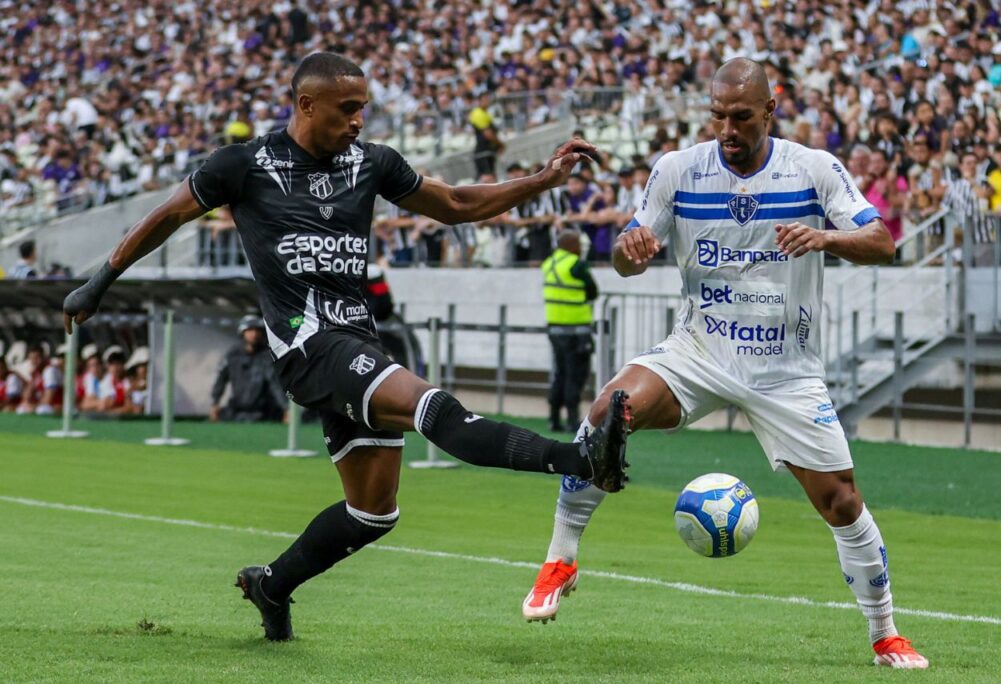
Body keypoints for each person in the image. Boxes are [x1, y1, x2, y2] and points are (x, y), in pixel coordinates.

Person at [61, 52, 630, 642]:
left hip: (357, 341)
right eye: (348, 108)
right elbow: (167, 215)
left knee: (373, 510)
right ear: (307, 104)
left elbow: (457, 204)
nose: (359, 120)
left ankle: (271, 585)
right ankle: (579, 461)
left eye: (364, 108)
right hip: (308, 347)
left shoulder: (372, 163)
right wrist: (98, 282)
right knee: (432, 407)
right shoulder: (243, 164)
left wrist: (542, 180)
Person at [520, 59, 929, 670]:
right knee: (608, 410)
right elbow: (629, 258)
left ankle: (885, 632)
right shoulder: (678, 170)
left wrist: (827, 239)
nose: (727, 127)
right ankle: (561, 557)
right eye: (717, 115)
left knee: (842, 502)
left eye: (741, 116)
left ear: (770, 110)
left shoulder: (813, 168)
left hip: (785, 367)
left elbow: (882, 243)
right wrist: (630, 251)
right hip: (700, 349)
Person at [541, 230, 598, 433]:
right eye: (577, 244)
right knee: (576, 376)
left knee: (560, 373)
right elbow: (593, 291)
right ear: (570, 245)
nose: (580, 248)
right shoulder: (576, 264)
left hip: (555, 329)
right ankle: (573, 421)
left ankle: (554, 419)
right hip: (576, 330)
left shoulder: (549, 263)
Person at [210, 316, 289, 423]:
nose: (254, 334)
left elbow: (276, 384)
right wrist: (215, 403)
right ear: (242, 332)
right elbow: (220, 379)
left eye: (257, 330)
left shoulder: (268, 357)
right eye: (250, 330)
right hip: (236, 411)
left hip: (265, 413)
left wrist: (286, 409)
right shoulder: (232, 356)